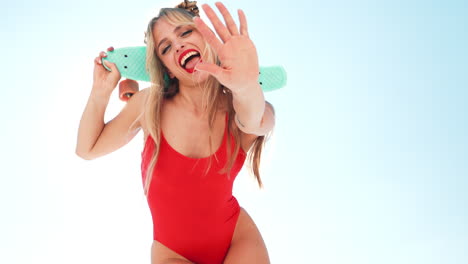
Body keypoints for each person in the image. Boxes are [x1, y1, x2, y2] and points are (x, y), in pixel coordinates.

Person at [76, 1, 275, 263]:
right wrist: (100, 91)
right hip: (172, 255)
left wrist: (247, 86)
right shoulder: (149, 105)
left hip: (237, 239)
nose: (178, 45)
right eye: (166, 47)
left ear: (207, 39)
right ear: (167, 67)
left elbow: (258, 119)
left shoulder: (242, 107)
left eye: (185, 33)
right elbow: (87, 149)